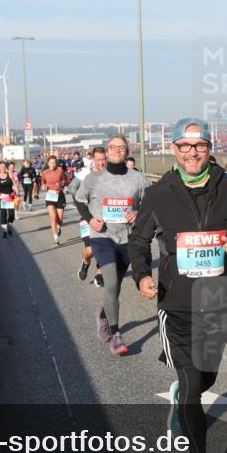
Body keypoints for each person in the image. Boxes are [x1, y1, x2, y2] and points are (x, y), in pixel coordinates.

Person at [130, 118, 227, 453]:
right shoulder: (159, 193)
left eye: (199, 146)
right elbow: (138, 242)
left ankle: (179, 397)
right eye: (184, 147)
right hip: (178, 302)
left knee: (207, 376)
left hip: (218, 301)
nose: (192, 153)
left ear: (209, 148)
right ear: (173, 150)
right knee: (192, 385)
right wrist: (141, 276)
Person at [74, 135, 151, 355]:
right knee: (111, 282)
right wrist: (90, 219)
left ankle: (104, 315)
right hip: (102, 237)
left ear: (127, 151)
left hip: (127, 239)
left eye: (122, 147)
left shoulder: (138, 179)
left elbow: (150, 203)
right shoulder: (93, 178)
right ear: (106, 152)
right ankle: (116, 336)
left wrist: (137, 212)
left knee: (114, 288)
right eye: (113, 147)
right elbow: (79, 200)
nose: (117, 150)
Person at [72, 147, 106, 286]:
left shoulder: (110, 174)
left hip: (105, 217)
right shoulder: (86, 173)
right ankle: (85, 263)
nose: (102, 163)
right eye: (99, 160)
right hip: (87, 216)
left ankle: (99, 274)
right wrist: (82, 203)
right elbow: (72, 187)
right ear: (93, 159)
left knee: (105, 246)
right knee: (90, 250)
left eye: (104, 159)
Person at [40, 154, 68, 246]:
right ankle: (56, 239)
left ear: (56, 163)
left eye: (54, 163)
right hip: (50, 196)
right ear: (48, 163)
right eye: (51, 163)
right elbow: (42, 184)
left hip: (59, 195)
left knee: (59, 219)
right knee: (53, 217)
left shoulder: (60, 170)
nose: (53, 165)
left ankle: (59, 227)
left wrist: (61, 183)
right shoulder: (44, 172)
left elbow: (66, 181)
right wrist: (43, 187)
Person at [0, 161, 21, 238]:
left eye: (4, 166)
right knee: (3, 214)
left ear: (5, 167)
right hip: (1, 198)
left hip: (10, 196)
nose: (2, 168)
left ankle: (9, 225)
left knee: (11, 214)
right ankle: (4, 231)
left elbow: (15, 184)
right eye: (1, 167)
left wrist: (17, 194)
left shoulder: (10, 174)